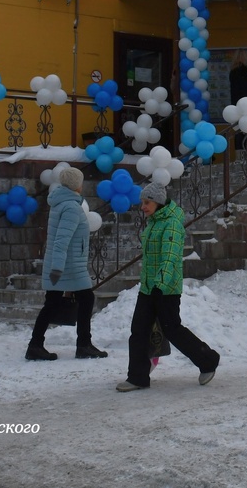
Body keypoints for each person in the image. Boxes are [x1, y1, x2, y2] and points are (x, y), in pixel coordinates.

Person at [117, 181, 220, 391]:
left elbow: (170, 258)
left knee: (172, 330)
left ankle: (208, 360)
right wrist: (149, 285)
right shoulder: (154, 222)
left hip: (166, 290)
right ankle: (137, 377)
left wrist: (160, 285)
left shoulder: (171, 224)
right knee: (138, 330)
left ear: (158, 203)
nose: (143, 207)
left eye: (147, 202)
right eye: (142, 203)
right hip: (148, 288)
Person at [25, 167, 108, 361]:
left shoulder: (60, 203)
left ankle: (36, 345)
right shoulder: (70, 207)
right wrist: (57, 268)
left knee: (52, 303)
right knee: (86, 299)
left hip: (67, 264)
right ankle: (83, 345)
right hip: (69, 266)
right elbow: (61, 240)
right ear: (76, 184)